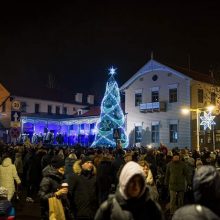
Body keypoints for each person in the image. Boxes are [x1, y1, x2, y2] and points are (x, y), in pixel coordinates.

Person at [95, 161, 164, 220]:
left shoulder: (153, 208)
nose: (136, 186)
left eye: (139, 181)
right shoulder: (108, 208)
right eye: (132, 181)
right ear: (124, 181)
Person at [38, 155, 72, 220]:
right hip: (50, 211)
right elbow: (41, 196)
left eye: (64, 166)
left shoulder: (61, 176)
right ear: (56, 167)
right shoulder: (47, 178)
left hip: (61, 209)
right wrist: (56, 194)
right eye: (62, 167)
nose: (64, 169)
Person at [67, 156, 98, 220]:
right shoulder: (74, 177)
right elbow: (69, 194)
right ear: (82, 164)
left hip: (92, 212)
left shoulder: (94, 177)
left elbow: (97, 193)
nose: (90, 164)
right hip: (79, 212)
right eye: (87, 162)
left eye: (91, 163)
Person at [165, 152, 189, 217]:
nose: (176, 158)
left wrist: (189, 182)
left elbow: (186, 174)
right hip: (172, 184)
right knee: (172, 199)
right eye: (175, 157)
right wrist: (166, 183)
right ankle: (172, 212)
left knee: (180, 199)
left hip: (181, 184)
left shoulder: (183, 164)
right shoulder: (169, 165)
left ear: (179, 157)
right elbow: (167, 174)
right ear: (173, 157)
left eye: (177, 157)